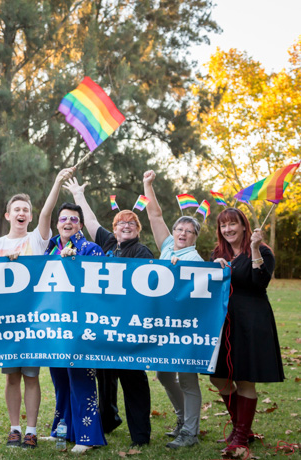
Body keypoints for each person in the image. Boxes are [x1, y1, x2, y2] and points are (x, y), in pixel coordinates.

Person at [0, 167, 74, 449]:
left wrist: (57, 182)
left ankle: (32, 430)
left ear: (30, 216)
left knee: (32, 377)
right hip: (6, 324)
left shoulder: (37, 239)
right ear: (8, 215)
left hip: (34, 323)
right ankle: (14, 429)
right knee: (12, 377)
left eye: (26, 209)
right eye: (16, 209)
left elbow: (48, 213)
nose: (22, 212)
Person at [65, 176, 153, 447]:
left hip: (130, 327)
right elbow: (91, 223)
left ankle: (140, 435)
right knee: (105, 377)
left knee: (132, 378)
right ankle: (108, 420)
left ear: (137, 229)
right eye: (120, 223)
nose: (125, 226)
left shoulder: (141, 251)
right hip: (104, 326)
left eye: (131, 223)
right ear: (114, 230)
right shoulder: (107, 246)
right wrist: (79, 195)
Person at [211, 208, 284, 454]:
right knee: (218, 376)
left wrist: (253, 249)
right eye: (223, 226)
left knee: (244, 378)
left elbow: (260, 281)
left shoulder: (262, 251)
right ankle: (243, 427)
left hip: (252, 321)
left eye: (233, 224)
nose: (228, 229)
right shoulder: (219, 253)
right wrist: (214, 268)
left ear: (244, 226)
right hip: (225, 321)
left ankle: (241, 435)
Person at [142, 170, 203, 449]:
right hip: (164, 325)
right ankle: (182, 421)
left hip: (186, 327)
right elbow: (155, 216)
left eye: (188, 231)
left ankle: (190, 432)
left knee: (187, 379)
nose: (181, 233)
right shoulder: (168, 247)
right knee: (164, 375)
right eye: (179, 229)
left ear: (194, 238)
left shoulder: (195, 258)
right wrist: (147, 185)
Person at [45, 202, 107, 454]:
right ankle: (63, 429)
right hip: (53, 326)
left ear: (80, 224)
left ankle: (87, 435)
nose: (67, 222)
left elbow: (99, 285)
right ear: (57, 224)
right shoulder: (51, 248)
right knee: (60, 380)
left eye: (73, 219)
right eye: (63, 219)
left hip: (81, 325)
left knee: (81, 379)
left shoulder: (91, 249)